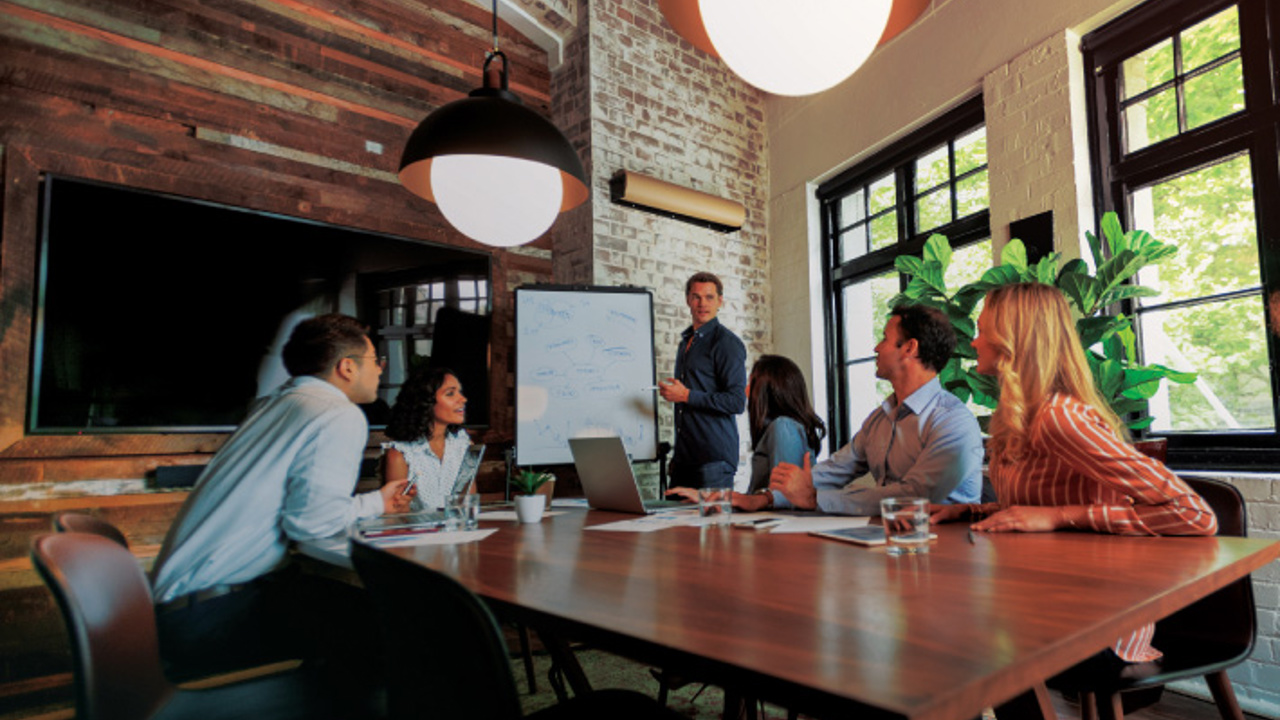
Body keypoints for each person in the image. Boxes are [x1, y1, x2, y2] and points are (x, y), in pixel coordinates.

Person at [933, 282, 1216, 664]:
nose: (973, 342)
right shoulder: (1021, 414)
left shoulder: (1059, 416)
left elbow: (1194, 515)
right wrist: (969, 511)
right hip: (1050, 595)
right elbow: (1035, 507)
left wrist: (1058, 517)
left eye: (983, 331)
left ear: (1012, 340)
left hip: (1100, 617)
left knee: (942, 631)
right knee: (941, 619)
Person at [150, 313, 413, 709]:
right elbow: (313, 526)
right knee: (398, 628)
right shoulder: (336, 414)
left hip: (184, 605)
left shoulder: (277, 403)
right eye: (376, 359)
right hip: (210, 616)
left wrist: (376, 502)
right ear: (346, 367)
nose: (381, 368)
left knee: (355, 618)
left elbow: (301, 511)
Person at [745, 303, 984, 515]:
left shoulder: (953, 420)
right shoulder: (880, 419)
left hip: (947, 544)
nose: (876, 348)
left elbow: (914, 496)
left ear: (910, 348)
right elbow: (837, 469)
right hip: (890, 535)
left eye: (884, 339)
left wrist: (815, 498)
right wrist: (766, 498)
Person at [659, 271, 747, 490]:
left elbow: (736, 402)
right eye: (696, 297)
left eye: (709, 297)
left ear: (720, 301)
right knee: (675, 524)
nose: (702, 304)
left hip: (713, 460)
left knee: (713, 525)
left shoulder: (727, 344)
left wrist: (686, 396)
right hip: (684, 459)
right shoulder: (686, 342)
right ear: (688, 300)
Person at [383, 366, 471, 511]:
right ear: (426, 402)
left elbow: (468, 503)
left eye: (459, 392)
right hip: (419, 532)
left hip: (457, 531)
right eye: (450, 393)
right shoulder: (401, 455)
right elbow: (396, 516)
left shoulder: (462, 445)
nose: (463, 399)